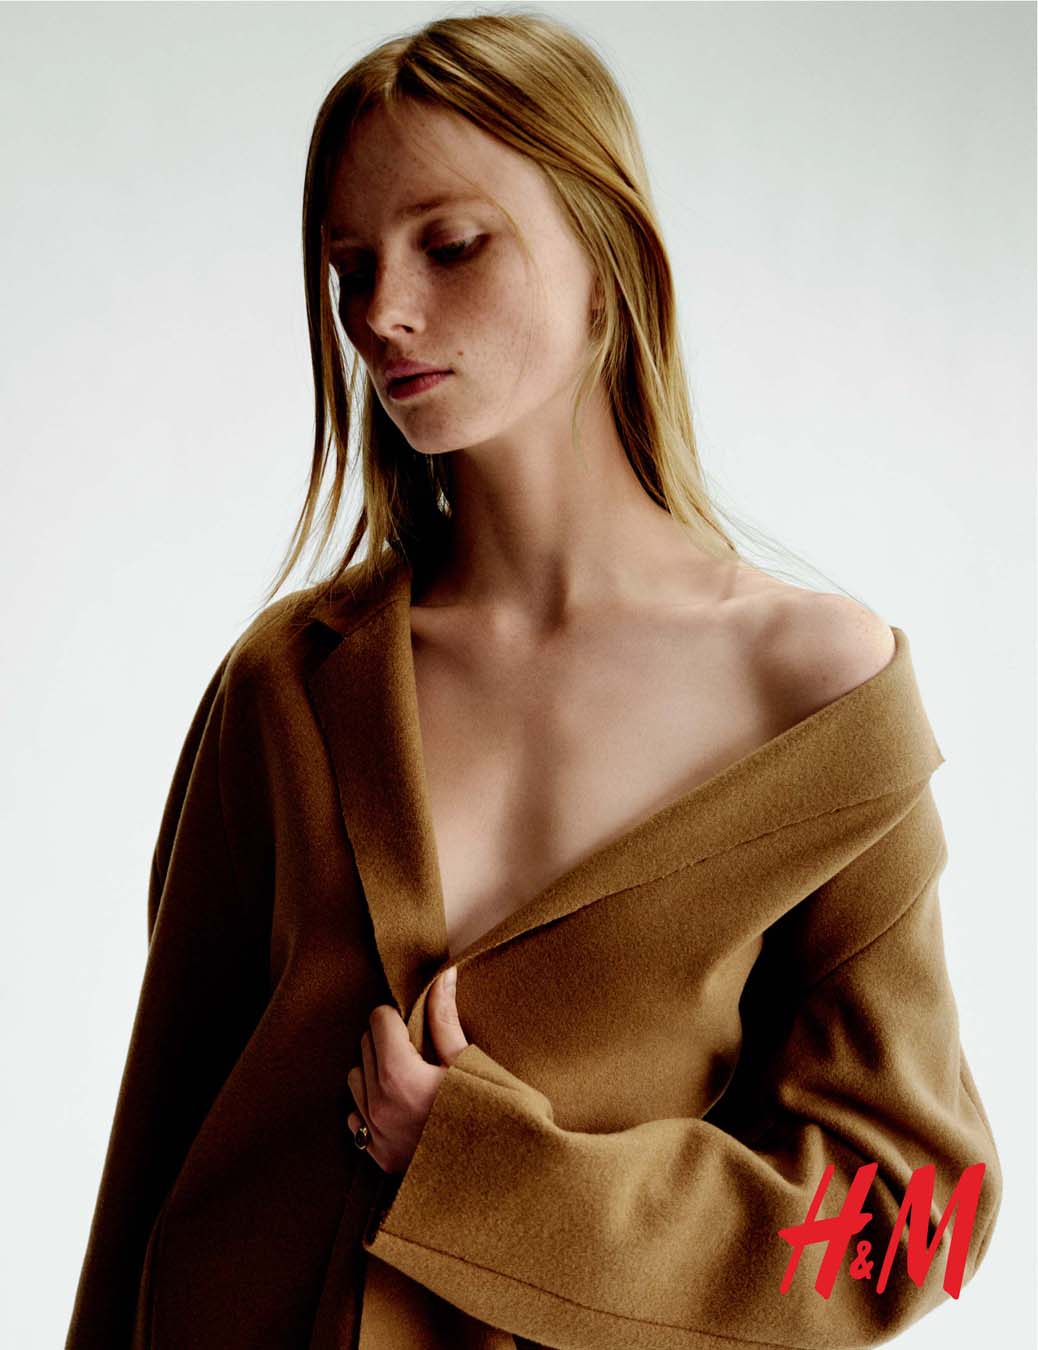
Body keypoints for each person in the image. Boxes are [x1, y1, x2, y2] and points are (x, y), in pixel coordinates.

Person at [65, 13, 1001, 1349]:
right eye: (348, 267)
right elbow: (151, 1172)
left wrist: (493, 1176)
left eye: (452, 245)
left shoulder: (814, 697)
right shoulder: (290, 685)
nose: (381, 312)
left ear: (606, 256)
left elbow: (917, 1220)